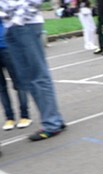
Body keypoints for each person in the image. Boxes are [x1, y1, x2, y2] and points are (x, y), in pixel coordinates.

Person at [0, 0, 66, 141]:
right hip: (15, 25)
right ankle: (54, 120)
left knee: (37, 76)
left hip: (23, 25)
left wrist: (17, 20)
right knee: (30, 78)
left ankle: (52, 123)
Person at [0, 19, 32, 131]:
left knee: (19, 84)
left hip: (7, 47)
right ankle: (9, 117)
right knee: (1, 88)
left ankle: (24, 115)